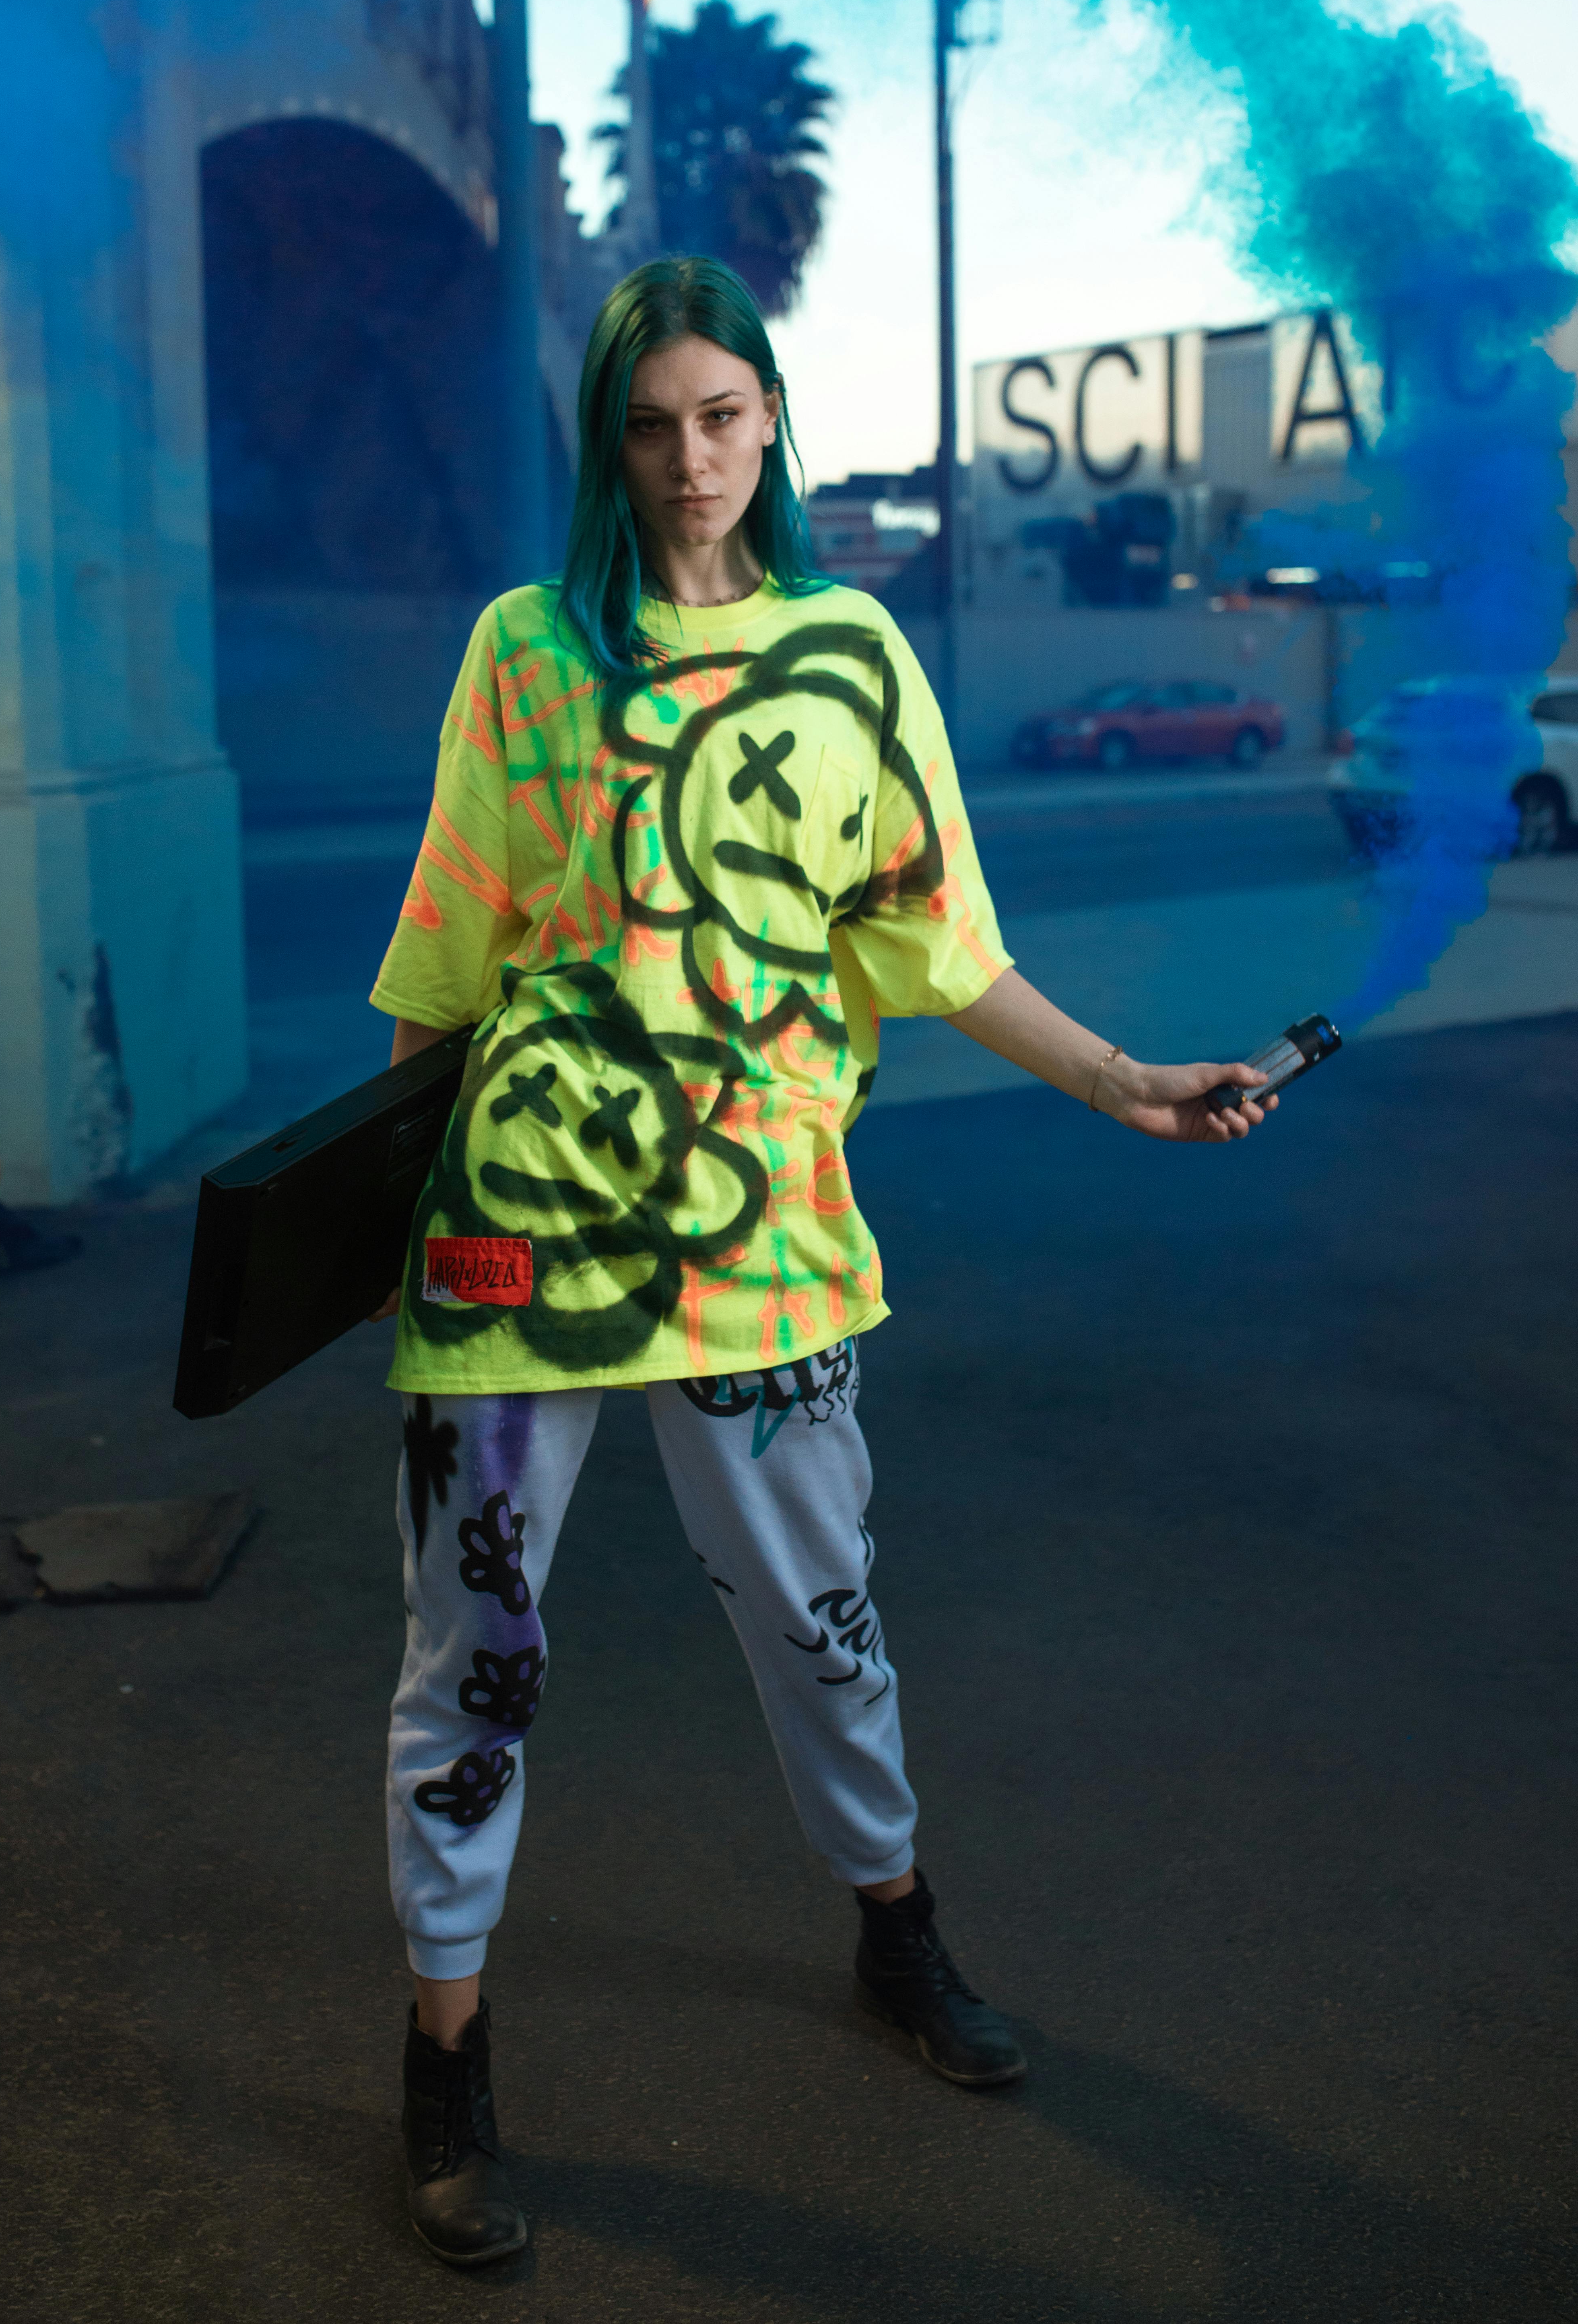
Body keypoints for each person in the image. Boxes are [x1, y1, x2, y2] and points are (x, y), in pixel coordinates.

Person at [369, 256, 1275, 2268]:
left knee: (822, 1631)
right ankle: (445, 2057)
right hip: (517, 1239)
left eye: (721, 416)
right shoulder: (528, 652)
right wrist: (378, 1234)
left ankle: (897, 1934)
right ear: (606, 443)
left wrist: (1122, 1080)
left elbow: (939, 947)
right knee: (474, 1663)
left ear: (772, 417)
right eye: (647, 424)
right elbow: (446, 956)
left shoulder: (852, 655)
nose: (689, 463)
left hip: (767, 1239)